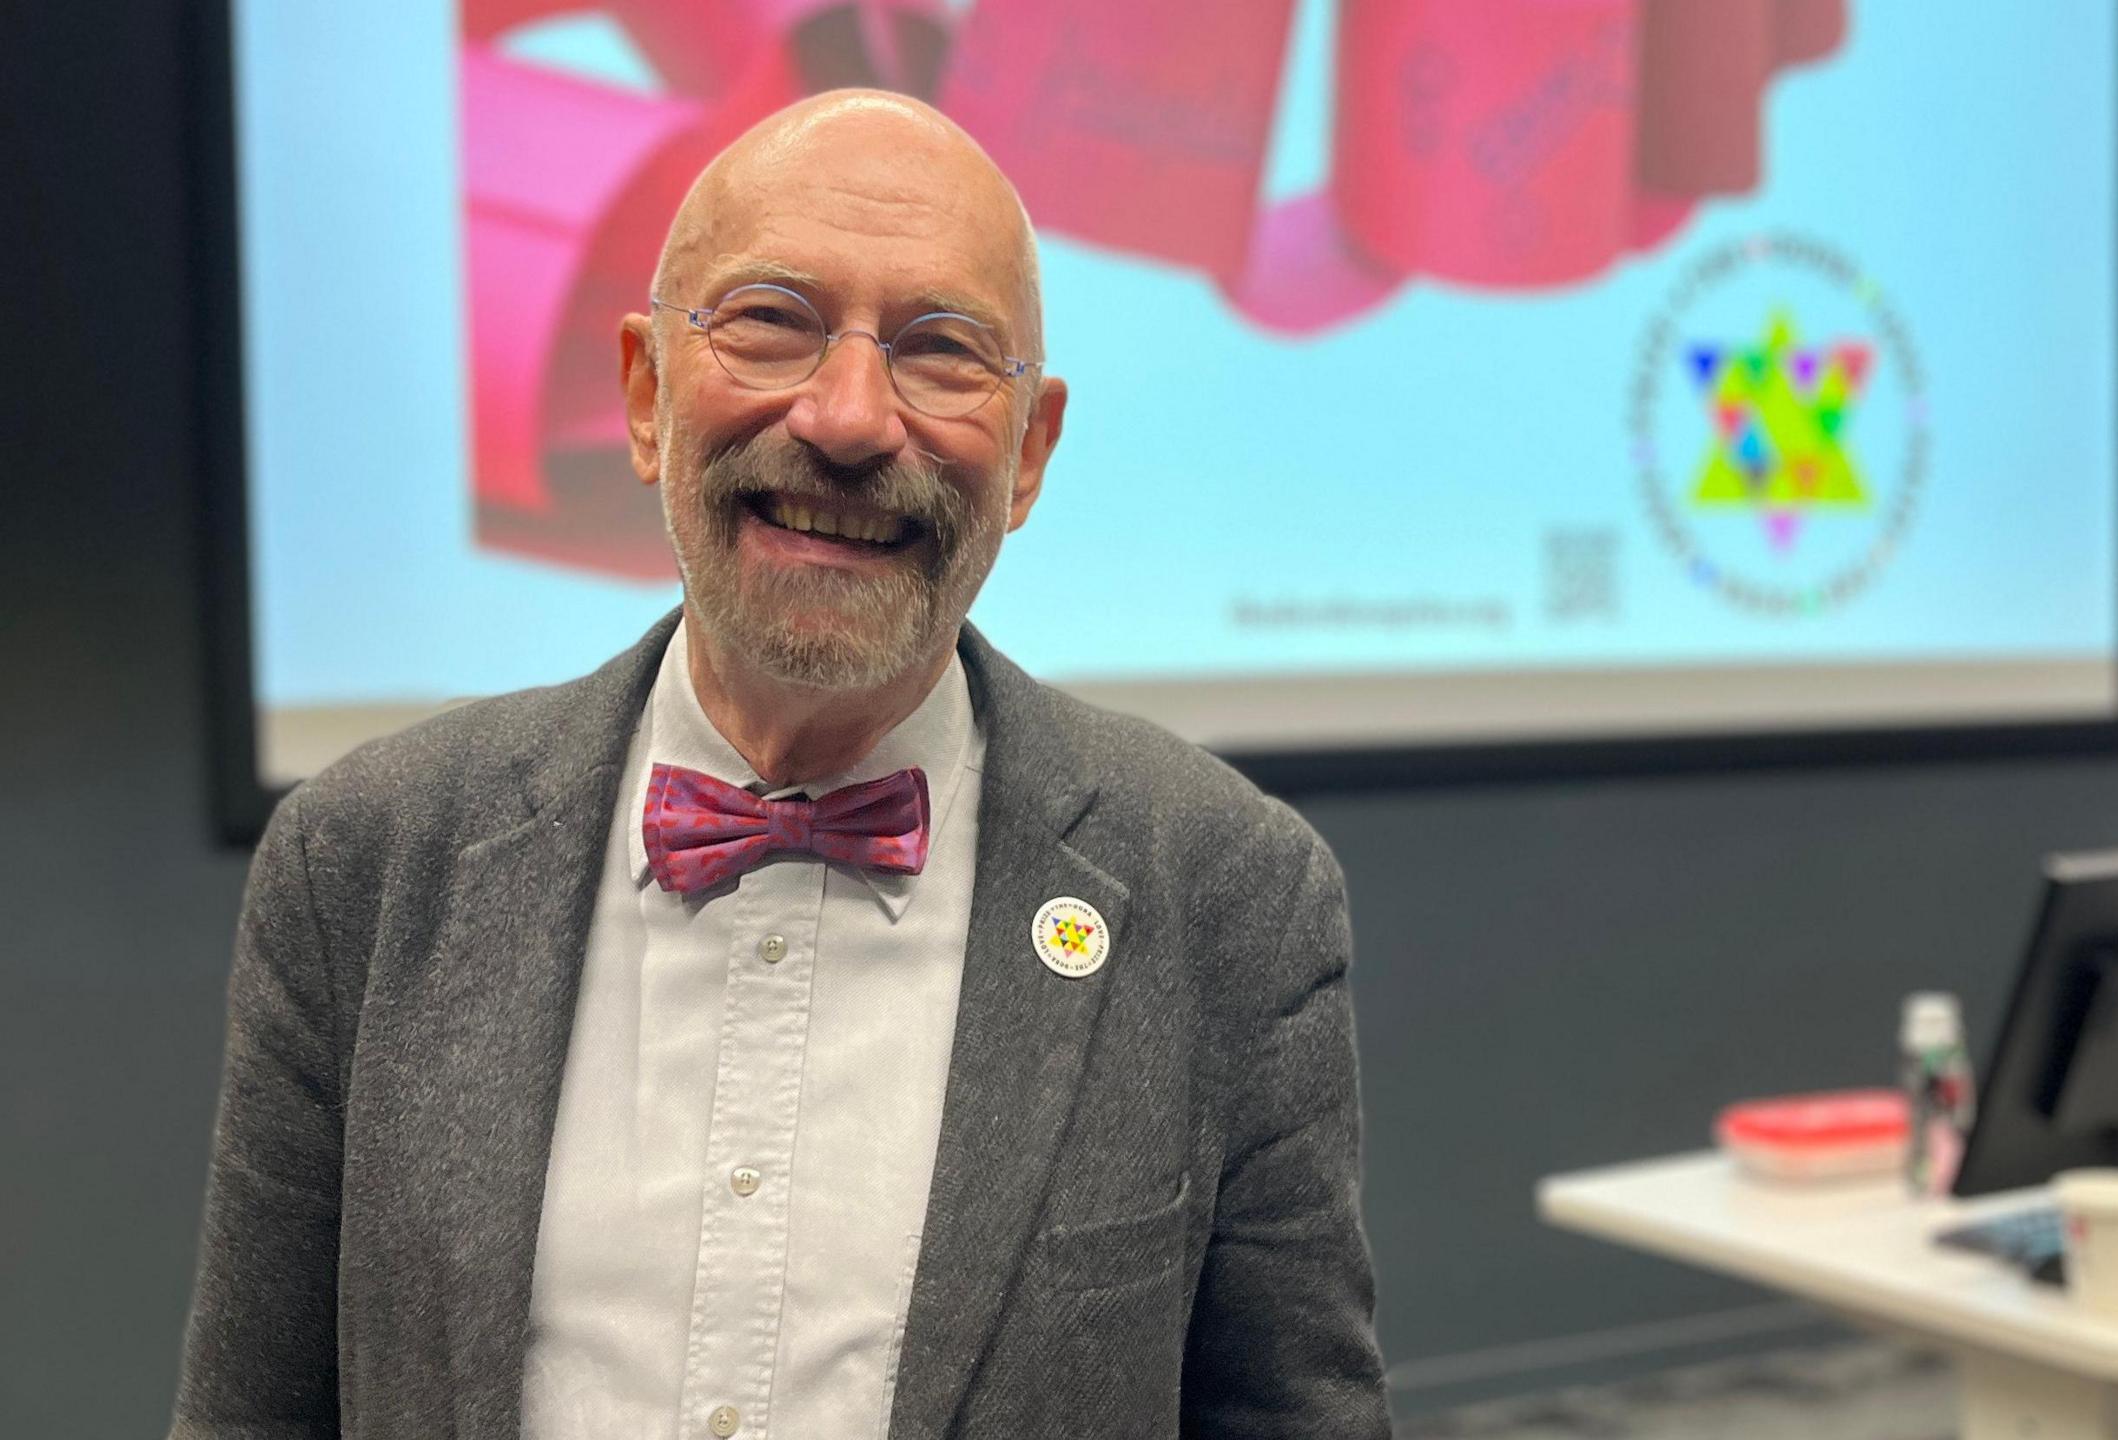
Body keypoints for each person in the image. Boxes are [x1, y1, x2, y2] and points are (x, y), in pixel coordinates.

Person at [171, 91, 1392, 1440]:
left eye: (942, 352)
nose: (851, 418)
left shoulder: (1227, 898)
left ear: (1031, 453)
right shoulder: (370, 862)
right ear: (645, 394)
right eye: (771, 322)